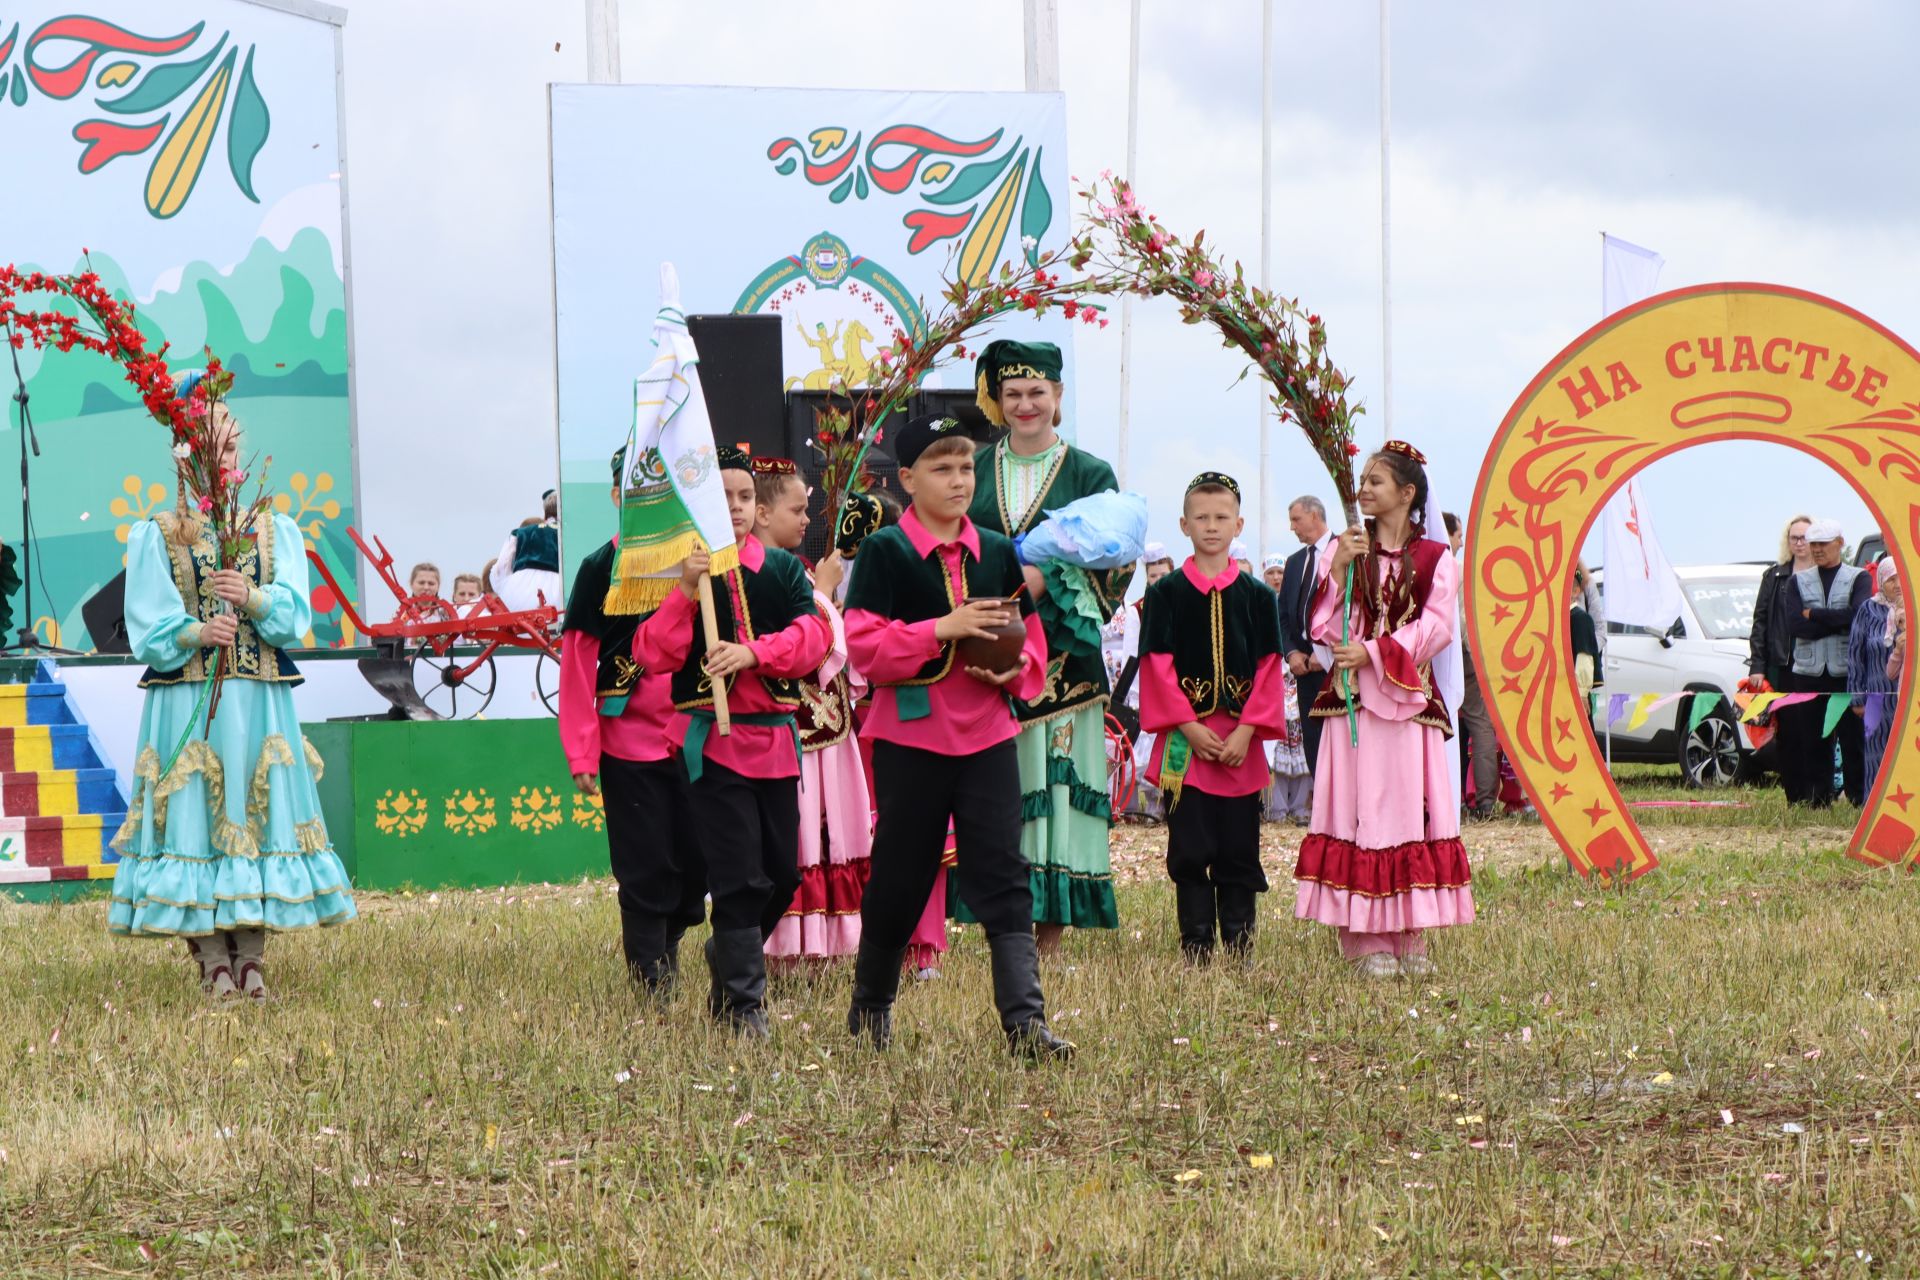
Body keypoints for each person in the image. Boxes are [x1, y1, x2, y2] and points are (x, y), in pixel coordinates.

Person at [109, 395, 356, 997]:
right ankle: (210, 959)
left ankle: (250, 957)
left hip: (256, 696)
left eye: (230, 441)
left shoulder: (273, 529)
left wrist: (253, 598)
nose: (224, 452)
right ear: (186, 456)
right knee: (195, 820)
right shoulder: (162, 532)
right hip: (189, 696)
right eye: (211, 443)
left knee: (253, 816)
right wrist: (196, 631)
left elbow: (293, 614)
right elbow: (147, 622)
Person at [842, 413, 1071, 1058]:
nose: (958, 479)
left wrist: (1013, 668)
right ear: (908, 478)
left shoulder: (998, 551)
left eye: (967, 466)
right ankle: (872, 1009)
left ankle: (1026, 1024)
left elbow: (1031, 646)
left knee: (1003, 871)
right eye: (941, 468)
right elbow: (863, 649)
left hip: (987, 735)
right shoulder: (886, 552)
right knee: (901, 875)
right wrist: (941, 628)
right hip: (912, 739)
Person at [632, 445, 832, 1037]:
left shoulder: (783, 569)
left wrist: (754, 653)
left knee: (781, 876)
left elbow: (813, 637)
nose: (738, 506)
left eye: (745, 497)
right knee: (740, 877)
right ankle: (745, 1008)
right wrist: (685, 595)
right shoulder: (686, 576)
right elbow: (651, 654)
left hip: (774, 742)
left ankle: (728, 951)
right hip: (712, 746)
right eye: (723, 498)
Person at [965, 340, 1124, 951]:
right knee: (993, 789)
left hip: (1062, 661)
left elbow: (1116, 566)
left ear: (1058, 397)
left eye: (1037, 392)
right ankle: (997, 925)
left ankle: (1048, 933)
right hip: (981, 655)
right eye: (1013, 394)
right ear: (997, 402)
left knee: (1054, 792)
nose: (1025, 404)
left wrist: (1041, 585)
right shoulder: (973, 470)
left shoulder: (1090, 474)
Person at [1294, 441, 1473, 978]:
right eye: (1363, 480)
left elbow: (1437, 628)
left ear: (1407, 492)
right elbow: (1324, 626)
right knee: (1359, 808)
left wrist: (1372, 650)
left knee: (1407, 811)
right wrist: (1337, 573)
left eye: (1376, 481)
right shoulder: (1345, 549)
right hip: (1354, 701)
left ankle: (1407, 934)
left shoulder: (1439, 561)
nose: (1364, 490)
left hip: (1407, 701)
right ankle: (1364, 937)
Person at [559, 445, 707, 1004]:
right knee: (645, 861)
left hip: (697, 735)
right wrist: (582, 751)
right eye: (638, 491)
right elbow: (576, 663)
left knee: (695, 864)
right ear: (619, 495)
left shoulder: (701, 560)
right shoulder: (601, 567)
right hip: (629, 742)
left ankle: (671, 939)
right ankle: (650, 970)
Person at [1139, 472, 1286, 964]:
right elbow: (1157, 666)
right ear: (1183, 524)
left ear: (1238, 523)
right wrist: (1188, 724)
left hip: (1240, 744)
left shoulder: (1259, 597)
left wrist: (1247, 729)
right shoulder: (1165, 595)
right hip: (1187, 742)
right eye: (1200, 517)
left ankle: (1239, 944)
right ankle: (1196, 944)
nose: (1211, 526)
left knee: (1239, 844)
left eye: (1222, 517)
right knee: (1190, 844)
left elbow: (1268, 668)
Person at [752, 457, 872, 967]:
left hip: (822, 721)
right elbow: (810, 643)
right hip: (793, 726)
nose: (807, 520)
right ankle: (789, 942)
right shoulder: (761, 575)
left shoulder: (791, 568)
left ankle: (821, 941)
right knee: (801, 829)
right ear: (761, 513)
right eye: (797, 510)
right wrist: (823, 595)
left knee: (826, 828)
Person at [1782, 518, 1870, 807]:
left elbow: (1858, 616)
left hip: (1847, 671)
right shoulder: (1797, 581)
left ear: (1840, 543)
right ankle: (1819, 798)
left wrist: (1815, 615)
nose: (1817, 550)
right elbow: (1795, 625)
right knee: (1813, 739)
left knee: (1852, 739)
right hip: (1808, 672)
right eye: (1813, 544)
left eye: (1823, 544)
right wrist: (1837, 620)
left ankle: (1858, 796)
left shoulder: (1859, 577)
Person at [1279, 495, 1337, 775]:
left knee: (1337, 739)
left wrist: (1323, 653)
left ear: (1315, 516)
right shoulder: (1294, 562)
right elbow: (1283, 616)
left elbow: (1348, 610)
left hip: (1335, 667)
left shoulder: (1343, 552)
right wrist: (1291, 652)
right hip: (1303, 668)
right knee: (1312, 740)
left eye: (1296, 519)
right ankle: (1321, 807)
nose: (1292, 527)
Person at [1848, 557, 1902, 792]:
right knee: (1876, 754)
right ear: (1881, 581)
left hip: (1908, 699)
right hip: (1875, 698)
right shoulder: (1868, 610)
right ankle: (1874, 805)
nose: (1898, 584)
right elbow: (1855, 655)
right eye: (1892, 579)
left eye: (1902, 578)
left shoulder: (1914, 608)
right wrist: (1857, 698)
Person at [491, 491, 563, 617]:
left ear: (545, 511)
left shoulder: (521, 532)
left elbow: (501, 568)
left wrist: (504, 588)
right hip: (558, 590)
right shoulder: (570, 534)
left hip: (519, 588)